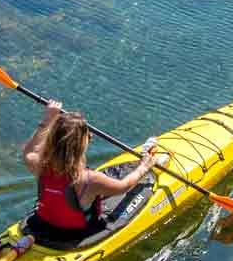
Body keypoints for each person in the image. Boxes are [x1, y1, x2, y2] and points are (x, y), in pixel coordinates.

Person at [22, 99, 163, 239]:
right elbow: (123, 187)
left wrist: (48, 119)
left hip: (43, 225)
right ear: (81, 145)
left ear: (51, 138)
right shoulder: (91, 180)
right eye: (87, 136)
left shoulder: (39, 166)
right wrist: (143, 167)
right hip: (74, 235)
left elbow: (28, 151)